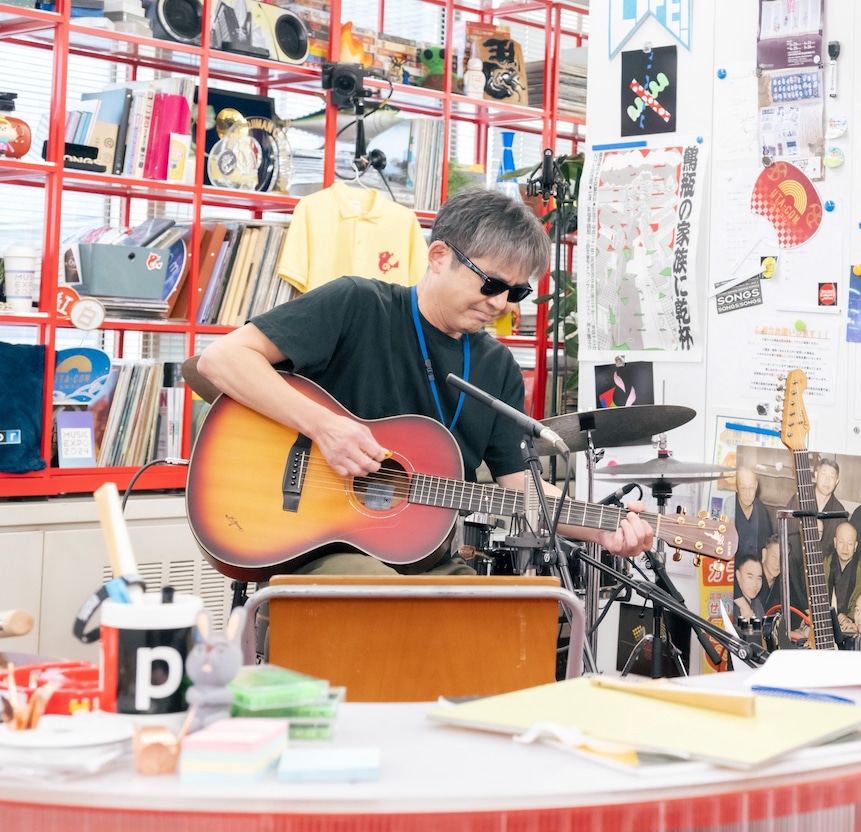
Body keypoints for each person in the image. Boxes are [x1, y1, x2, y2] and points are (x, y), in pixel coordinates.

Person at [197, 189, 654, 577]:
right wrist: (324, 427)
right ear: (439, 258)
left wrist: (603, 526)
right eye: (491, 284)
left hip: (421, 557)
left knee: (510, 626)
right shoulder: (357, 304)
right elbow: (223, 359)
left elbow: (519, 481)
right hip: (313, 541)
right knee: (386, 603)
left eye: (516, 293)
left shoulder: (497, 367)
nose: (500, 304)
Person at [823, 521, 861, 633]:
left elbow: (860, 596)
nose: (845, 549)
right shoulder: (826, 563)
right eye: (841, 542)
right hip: (825, 618)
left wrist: (849, 617)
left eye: (849, 544)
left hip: (850, 622)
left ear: (855, 546)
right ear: (835, 542)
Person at [734, 466, 775, 564]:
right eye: (743, 488)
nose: (748, 494)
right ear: (736, 487)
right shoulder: (729, 508)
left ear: (756, 485)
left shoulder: (761, 510)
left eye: (751, 488)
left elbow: (768, 546)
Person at [732, 555, 766, 621]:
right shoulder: (734, 607)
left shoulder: (757, 603)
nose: (755, 584)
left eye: (759, 578)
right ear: (738, 575)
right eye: (750, 577)